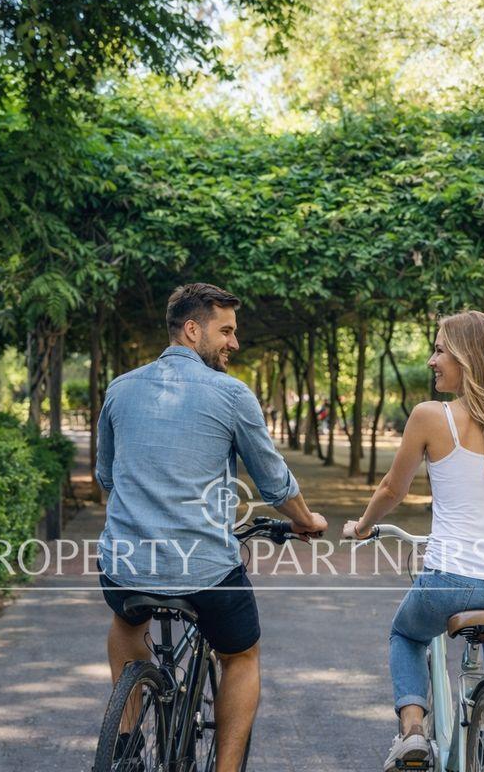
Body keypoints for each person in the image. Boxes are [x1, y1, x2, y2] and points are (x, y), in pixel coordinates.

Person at [96, 282, 327, 772]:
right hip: (205, 572)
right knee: (241, 656)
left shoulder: (119, 388)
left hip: (124, 567)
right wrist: (307, 521)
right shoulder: (230, 395)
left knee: (125, 623)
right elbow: (273, 482)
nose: (234, 343)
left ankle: (126, 741)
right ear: (193, 329)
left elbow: (107, 477)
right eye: (226, 331)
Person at [342, 310, 484, 771]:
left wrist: (362, 527)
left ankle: (412, 732)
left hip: (450, 580)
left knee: (406, 634)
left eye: (440, 349)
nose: (431, 360)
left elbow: (391, 489)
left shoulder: (430, 416)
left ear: (468, 357)